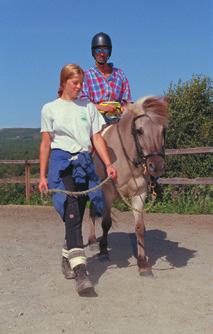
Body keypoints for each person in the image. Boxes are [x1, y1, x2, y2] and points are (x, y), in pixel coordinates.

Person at [38, 64, 117, 296]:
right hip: (62, 166)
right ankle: (81, 272)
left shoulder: (89, 107)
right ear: (63, 83)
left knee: (79, 213)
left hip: (84, 164)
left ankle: (67, 256)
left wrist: (109, 164)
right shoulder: (49, 109)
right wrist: (42, 175)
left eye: (82, 82)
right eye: (75, 83)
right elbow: (45, 143)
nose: (80, 87)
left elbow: (96, 139)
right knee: (72, 212)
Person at [80, 32, 132, 123]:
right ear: (93, 52)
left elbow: (127, 101)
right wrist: (103, 108)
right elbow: (84, 103)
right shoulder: (86, 76)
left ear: (109, 52)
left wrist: (125, 107)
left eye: (105, 50)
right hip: (95, 119)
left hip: (118, 118)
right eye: (98, 51)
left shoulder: (120, 74)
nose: (102, 54)